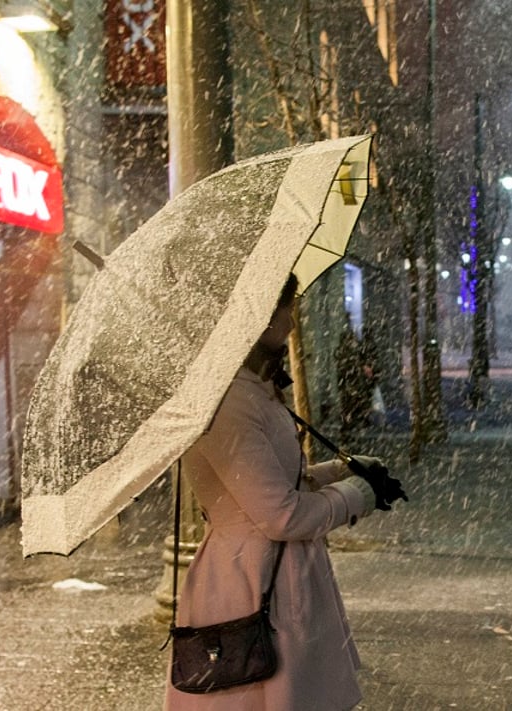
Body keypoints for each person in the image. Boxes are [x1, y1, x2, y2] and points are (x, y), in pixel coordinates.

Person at [164, 274, 400, 711]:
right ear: (256, 316)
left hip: (280, 575)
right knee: (266, 697)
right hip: (250, 581)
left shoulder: (252, 391)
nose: (291, 322)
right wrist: (358, 495)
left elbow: (278, 480)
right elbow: (281, 515)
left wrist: (343, 470)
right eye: (285, 310)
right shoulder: (229, 403)